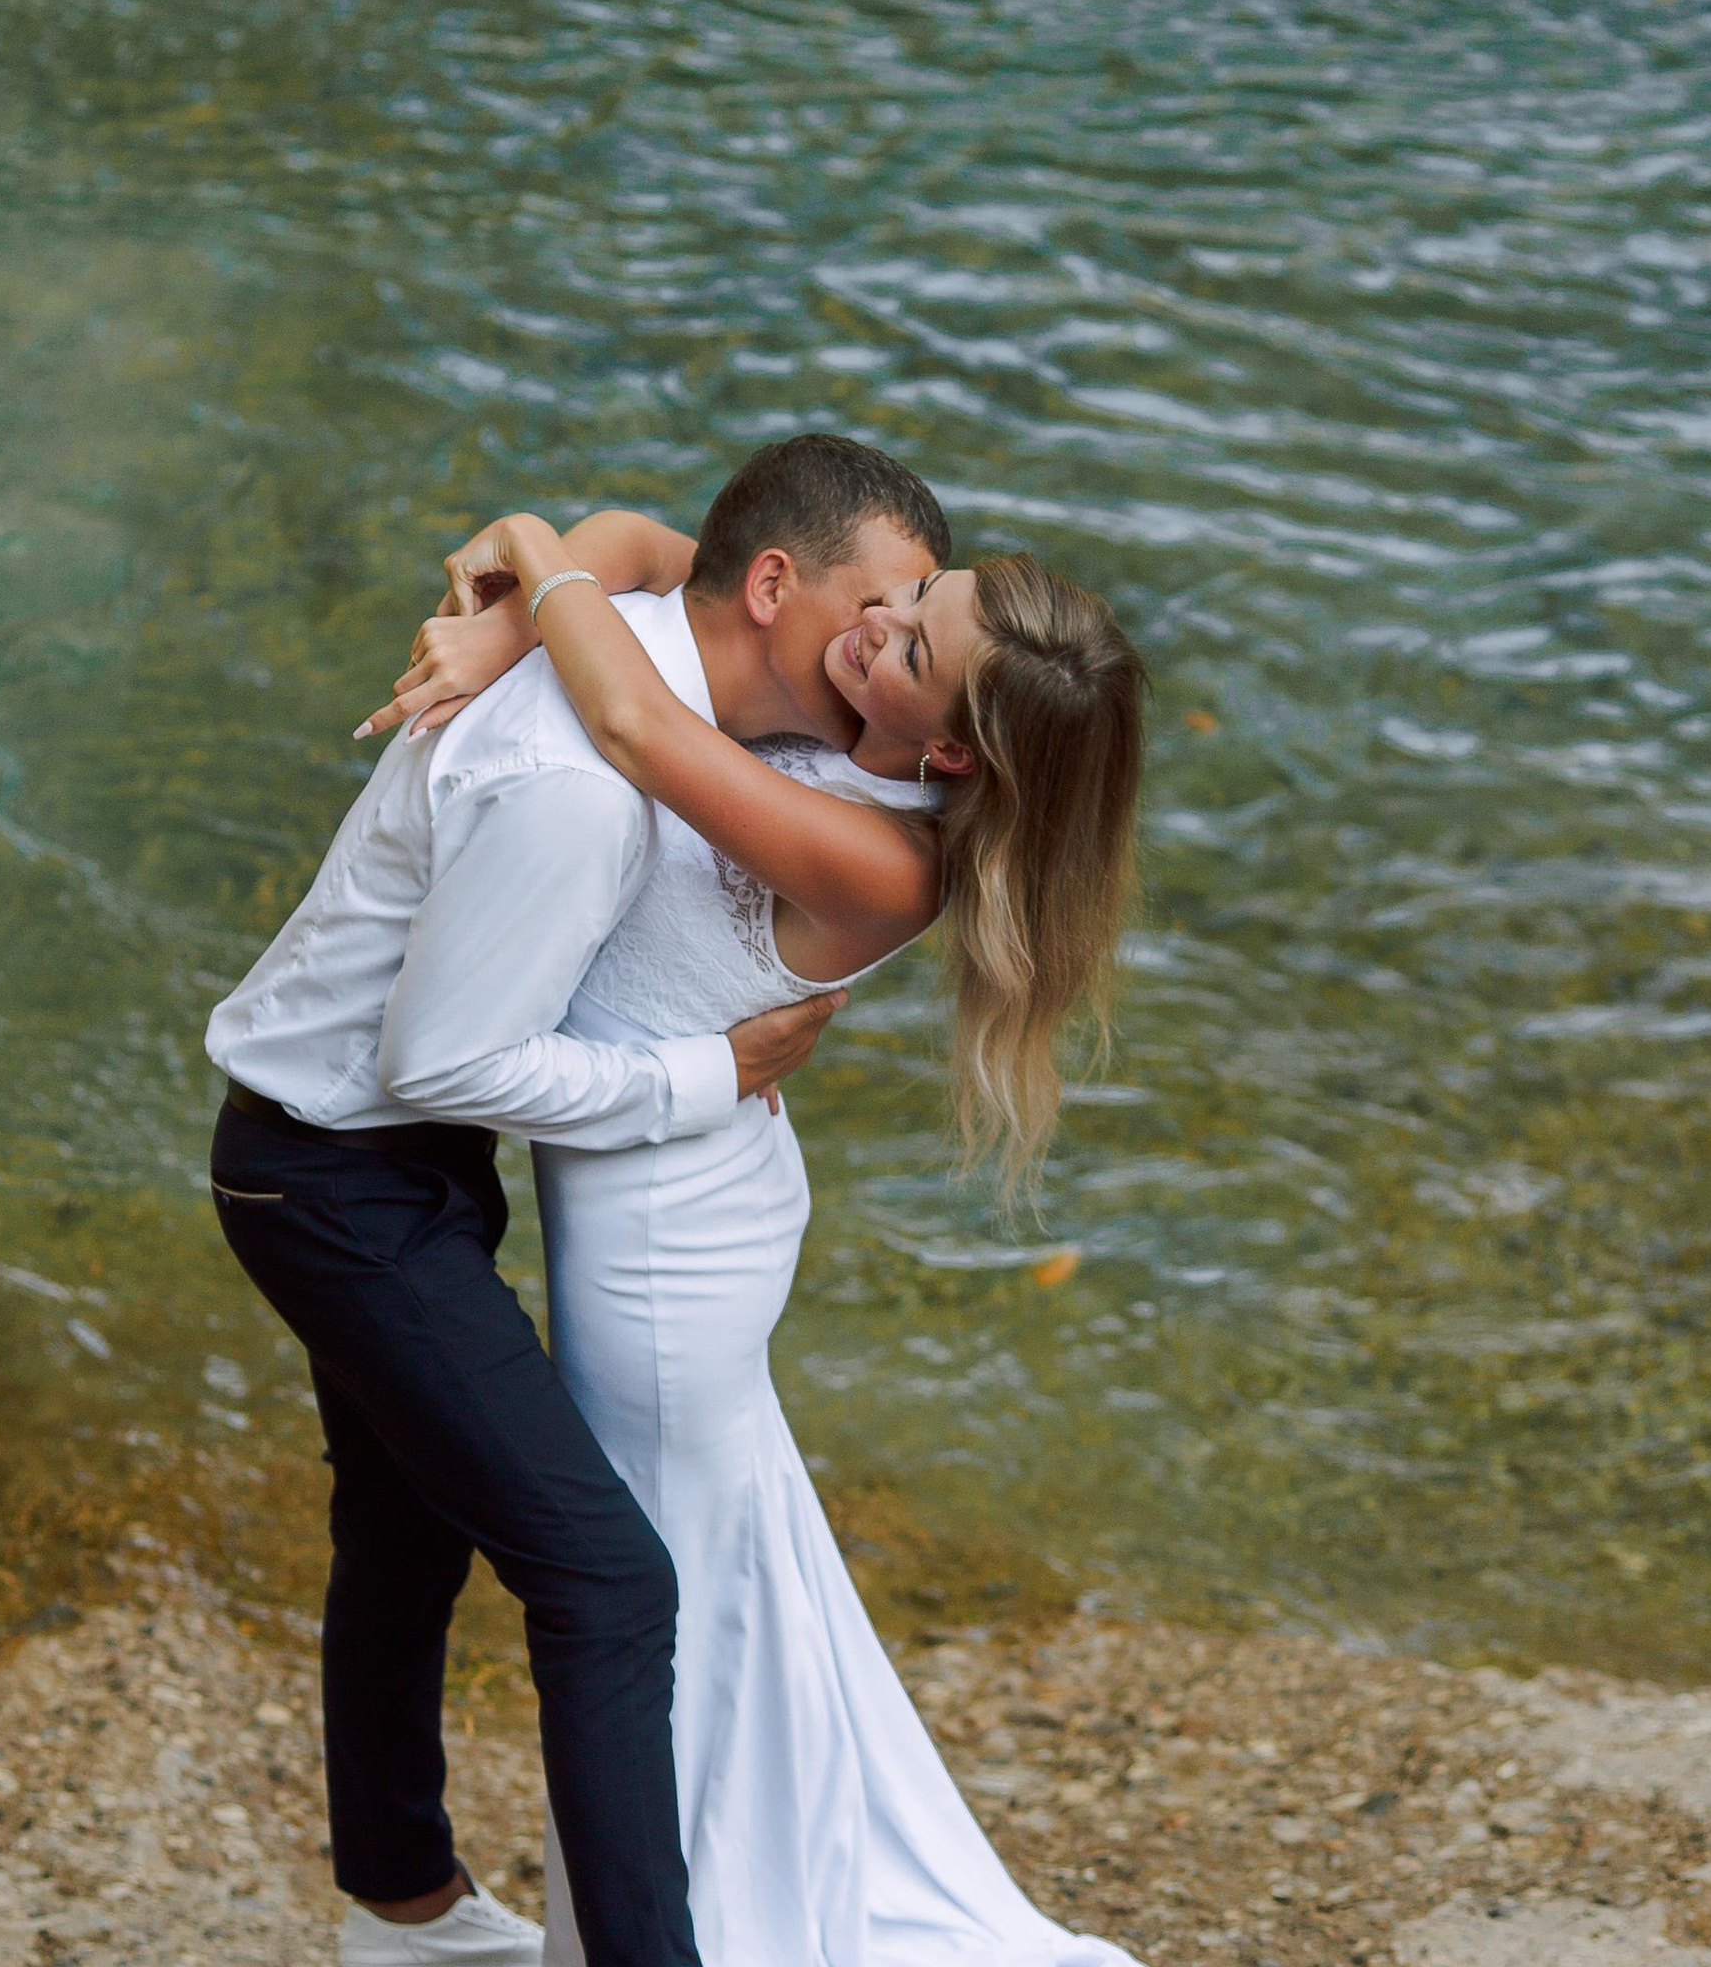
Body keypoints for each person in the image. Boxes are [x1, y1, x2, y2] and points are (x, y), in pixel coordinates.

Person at [359, 500, 1148, 1967]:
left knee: (660, 1611)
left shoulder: (885, 858)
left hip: (667, 1253)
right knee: (718, 1582)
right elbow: (668, 552)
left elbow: (638, 729)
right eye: (910, 592)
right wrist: (508, 615)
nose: (878, 620)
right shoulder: (862, 728)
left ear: (958, 755)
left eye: (915, 638)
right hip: (690, 1179)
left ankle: (691, 1933)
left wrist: (529, 553)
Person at [204, 436, 951, 1967]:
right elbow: (453, 1055)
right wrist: (711, 1072)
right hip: (335, 1181)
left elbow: (640, 552)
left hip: (376, 1159)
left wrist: (535, 583)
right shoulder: (582, 784)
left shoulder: (665, 671)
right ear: (777, 589)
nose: (884, 646)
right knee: (608, 1583)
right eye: (881, 607)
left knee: (402, 1531)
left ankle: (402, 1913)